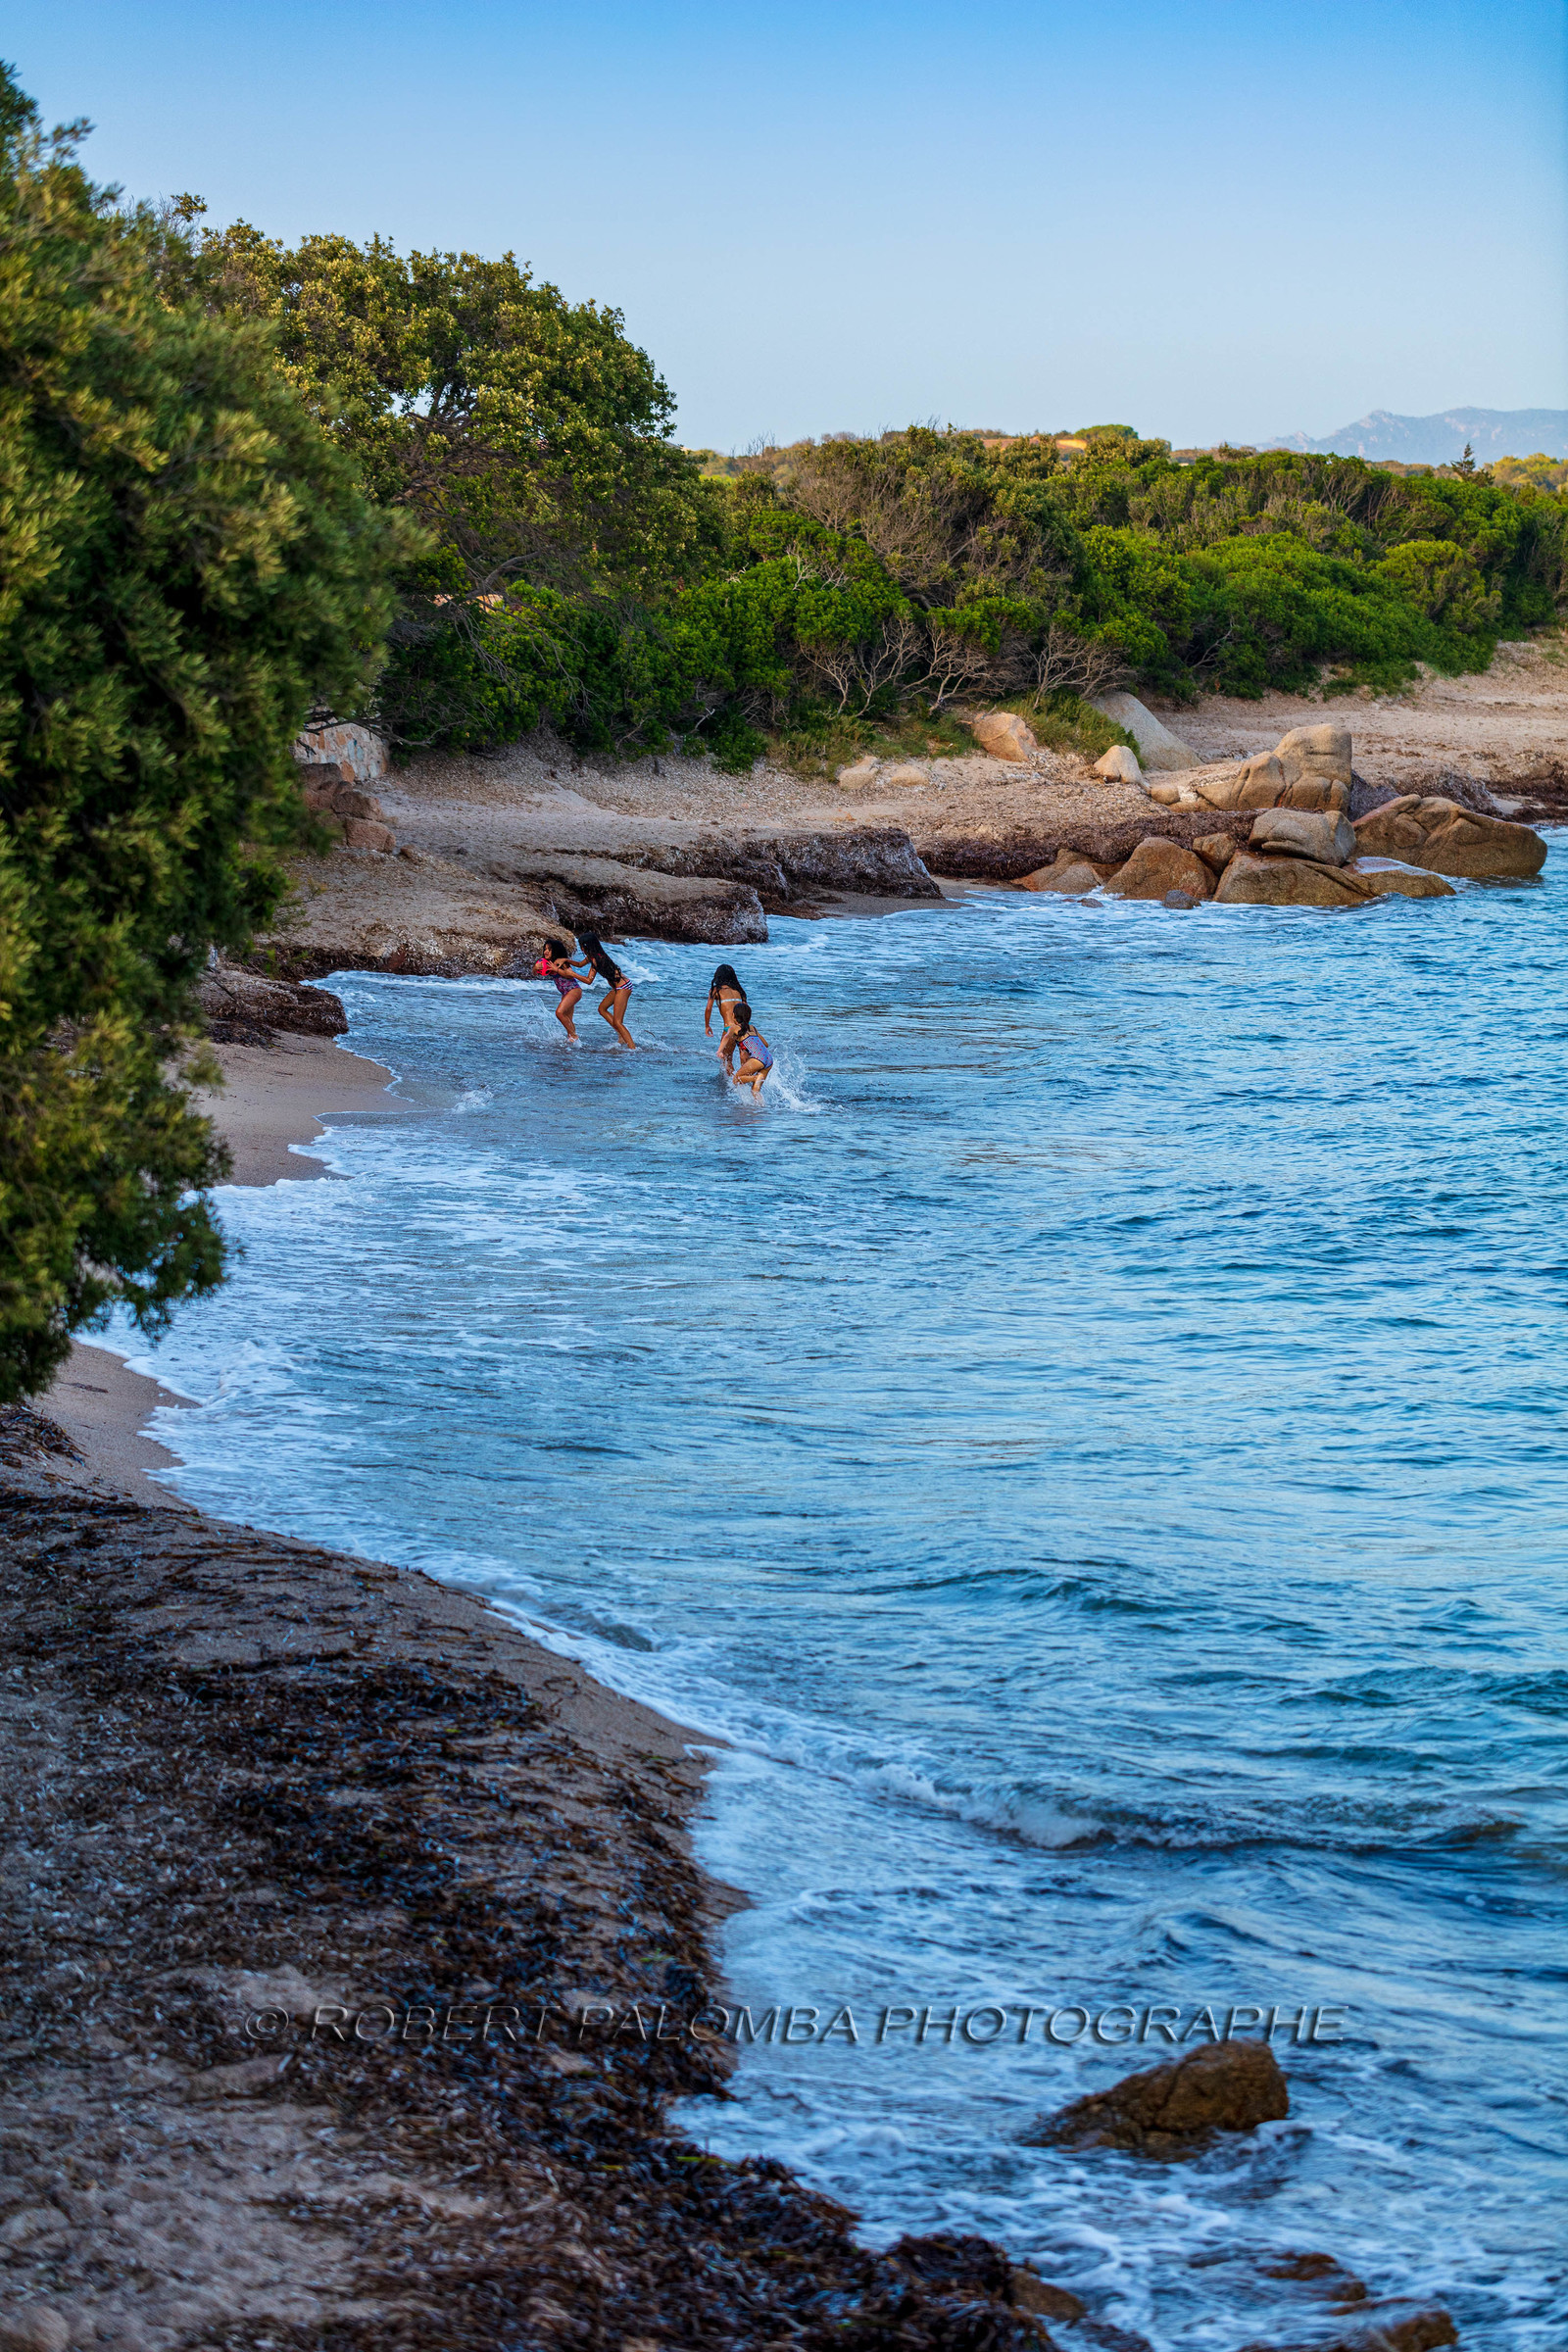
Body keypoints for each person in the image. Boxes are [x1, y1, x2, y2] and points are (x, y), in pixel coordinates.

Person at [577, 935, 637, 1048]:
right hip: (619, 987)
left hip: (623, 987)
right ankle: (621, 1037)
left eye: (582, 946)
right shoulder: (594, 956)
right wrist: (565, 960)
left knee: (618, 1022)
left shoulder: (597, 959)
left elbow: (589, 980)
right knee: (602, 1009)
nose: (581, 949)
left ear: (587, 947)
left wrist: (572, 974)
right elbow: (579, 965)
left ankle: (633, 1049)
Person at [536, 937, 591, 1040]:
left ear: (556, 951)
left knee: (559, 1012)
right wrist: (535, 968)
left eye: (549, 949)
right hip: (565, 993)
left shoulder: (561, 963)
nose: (546, 951)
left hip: (573, 990)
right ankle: (572, 1038)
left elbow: (570, 975)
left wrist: (556, 969)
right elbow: (536, 974)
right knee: (568, 1019)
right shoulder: (546, 963)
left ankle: (574, 1035)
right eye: (545, 949)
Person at [723, 999, 774, 1097]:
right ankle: (760, 1109)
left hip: (758, 1059)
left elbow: (727, 1038)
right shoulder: (753, 1028)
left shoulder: (735, 1029)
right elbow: (766, 1045)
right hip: (769, 1059)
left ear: (733, 1015)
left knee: (736, 1079)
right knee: (755, 1091)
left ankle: (755, 1078)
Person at [704, 964, 747, 1059]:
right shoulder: (739, 990)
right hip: (745, 1028)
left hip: (730, 1028)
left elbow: (708, 1008)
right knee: (744, 1058)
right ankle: (745, 1074)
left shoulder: (716, 990)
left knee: (726, 1058)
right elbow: (746, 1010)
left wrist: (707, 1026)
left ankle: (729, 1075)